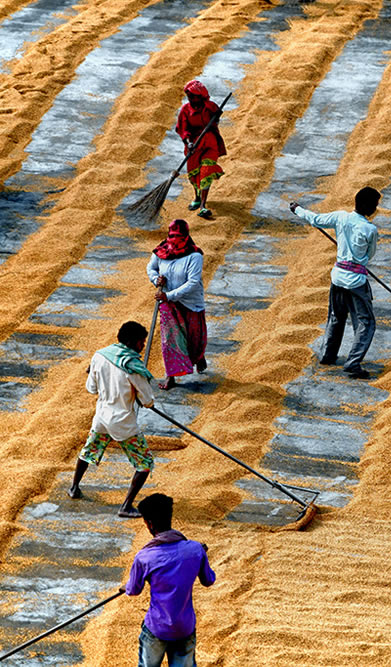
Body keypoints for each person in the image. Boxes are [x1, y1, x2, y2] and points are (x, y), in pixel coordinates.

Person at [288, 187, 380, 379]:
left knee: (336, 317)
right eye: (375, 205)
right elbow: (369, 255)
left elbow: (315, 220)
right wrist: (357, 259)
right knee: (366, 322)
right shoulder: (370, 229)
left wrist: (298, 209)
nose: (376, 208)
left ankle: (327, 356)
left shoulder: (340, 217)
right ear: (369, 207)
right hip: (356, 281)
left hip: (338, 276)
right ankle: (353, 363)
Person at [68, 321, 156, 518]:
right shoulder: (133, 367)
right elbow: (148, 401)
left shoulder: (99, 356)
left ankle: (74, 487)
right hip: (123, 422)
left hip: (101, 416)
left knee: (89, 450)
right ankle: (126, 506)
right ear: (133, 342)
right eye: (141, 342)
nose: (142, 347)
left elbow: (91, 388)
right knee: (144, 463)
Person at [123, 493, 216, 667]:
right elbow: (208, 580)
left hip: (157, 628)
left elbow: (133, 590)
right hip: (184, 628)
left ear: (149, 524)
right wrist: (200, 556)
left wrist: (126, 587)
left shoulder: (144, 557)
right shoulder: (195, 549)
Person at [147, 219, 208, 390]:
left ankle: (198, 356)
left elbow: (193, 283)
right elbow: (151, 268)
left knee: (194, 338)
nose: (174, 240)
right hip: (168, 304)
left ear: (186, 237)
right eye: (171, 236)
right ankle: (171, 376)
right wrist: (155, 279)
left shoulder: (194, 256)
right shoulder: (161, 252)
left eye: (178, 236)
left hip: (190, 302)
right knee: (170, 339)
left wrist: (169, 295)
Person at [175, 80, 226, 219]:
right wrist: (188, 142)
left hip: (210, 143)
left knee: (206, 170)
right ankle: (197, 197)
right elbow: (182, 129)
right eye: (189, 97)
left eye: (193, 97)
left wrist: (214, 120)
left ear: (200, 97)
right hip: (194, 144)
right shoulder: (185, 110)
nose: (191, 99)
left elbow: (217, 114)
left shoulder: (209, 106)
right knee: (194, 173)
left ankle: (203, 205)